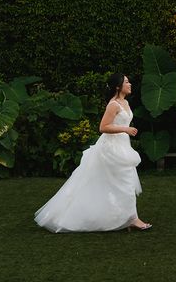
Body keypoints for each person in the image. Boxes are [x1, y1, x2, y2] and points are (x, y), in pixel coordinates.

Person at [34, 73, 151, 232]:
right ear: (118, 86)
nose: (130, 84)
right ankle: (132, 219)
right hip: (111, 149)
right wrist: (125, 129)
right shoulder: (114, 104)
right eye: (126, 82)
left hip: (123, 146)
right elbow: (103, 127)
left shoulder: (125, 103)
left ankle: (128, 217)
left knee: (125, 183)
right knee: (125, 183)